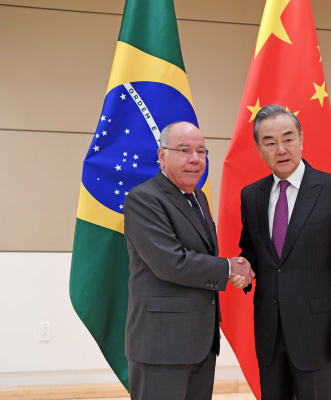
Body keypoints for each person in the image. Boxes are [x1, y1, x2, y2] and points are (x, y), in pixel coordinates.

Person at [235, 104, 331, 400]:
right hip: (269, 331)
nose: (281, 149)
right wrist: (246, 267)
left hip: (318, 335)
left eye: (288, 138)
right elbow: (252, 249)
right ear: (259, 149)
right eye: (270, 143)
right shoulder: (252, 195)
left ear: (301, 139)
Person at [123, 121, 254, 400]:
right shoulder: (144, 199)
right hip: (162, 347)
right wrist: (229, 267)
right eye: (184, 150)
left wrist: (232, 267)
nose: (195, 159)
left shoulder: (198, 198)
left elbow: (201, 255)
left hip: (200, 344)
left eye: (201, 151)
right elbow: (170, 262)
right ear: (162, 155)